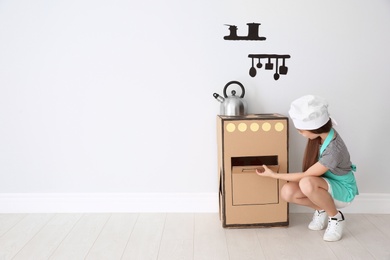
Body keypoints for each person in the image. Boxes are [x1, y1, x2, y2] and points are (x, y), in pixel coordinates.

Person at [256, 95, 358, 242]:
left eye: (301, 131)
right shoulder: (321, 138)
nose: (300, 133)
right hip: (326, 184)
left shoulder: (334, 151)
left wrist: (273, 175)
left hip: (343, 190)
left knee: (306, 182)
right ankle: (320, 208)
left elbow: (306, 176)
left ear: (314, 128)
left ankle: (336, 217)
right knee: (287, 192)